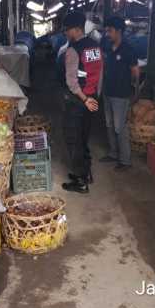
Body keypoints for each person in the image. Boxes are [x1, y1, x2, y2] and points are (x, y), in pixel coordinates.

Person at [61, 12, 103, 194]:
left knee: (73, 139)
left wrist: (85, 99)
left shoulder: (73, 50)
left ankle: (80, 181)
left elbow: (71, 82)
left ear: (76, 29)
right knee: (84, 137)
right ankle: (87, 173)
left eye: (67, 30)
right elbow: (100, 74)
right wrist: (94, 97)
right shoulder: (95, 46)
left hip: (79, 101)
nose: (66, 33)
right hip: (92, 98)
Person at [100, 16, 139, 171]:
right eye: (106, 31)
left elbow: (135, 72)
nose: (107, 34)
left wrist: (133, 90)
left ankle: (125, 160)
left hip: (121, 95)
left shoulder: (128, 49)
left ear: (119, 31)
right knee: (109, 125)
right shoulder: (107, 46)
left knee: (119, 127)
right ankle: (113, 153)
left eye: (110, 31)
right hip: (107, 91)